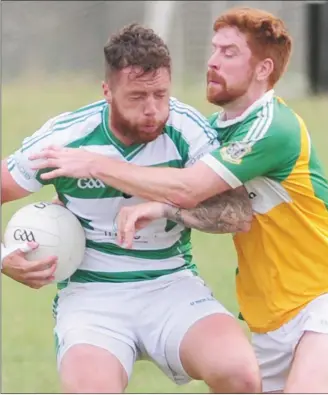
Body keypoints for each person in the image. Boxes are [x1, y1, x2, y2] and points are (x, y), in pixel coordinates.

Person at [30, 8, 328, 394]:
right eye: (214, 50)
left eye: (229, 53)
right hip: (270, 318)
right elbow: (206, 199)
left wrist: (95, 164)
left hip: (325, 298)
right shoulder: (213, 135)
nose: (212, 61)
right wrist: (151, 208)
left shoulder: (271, 127)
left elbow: (190, 188)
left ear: (262, 69)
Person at [2, 23, 261, 394]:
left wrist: (165, 206)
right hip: (92, 299)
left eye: (161, 94)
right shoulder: (66, 138)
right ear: (107, 91)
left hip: (170, 285)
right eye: (138, 96)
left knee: (242, 375)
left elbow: (238, 214)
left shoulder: (185, 130)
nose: (153, 109)